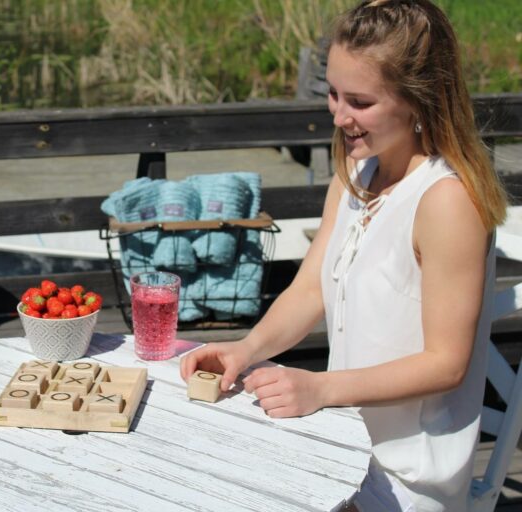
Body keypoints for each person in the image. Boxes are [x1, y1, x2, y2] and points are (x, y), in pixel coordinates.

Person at [181, 1, 507, 510]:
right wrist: (247, 349)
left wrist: (320, 388)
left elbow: (447, 365)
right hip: (343, 439)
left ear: (418, 100)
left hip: (407, 474)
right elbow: (311, 288)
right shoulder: (355, 174)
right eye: (333, 94)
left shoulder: (447, 201)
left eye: (359, 101)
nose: (338, 115)